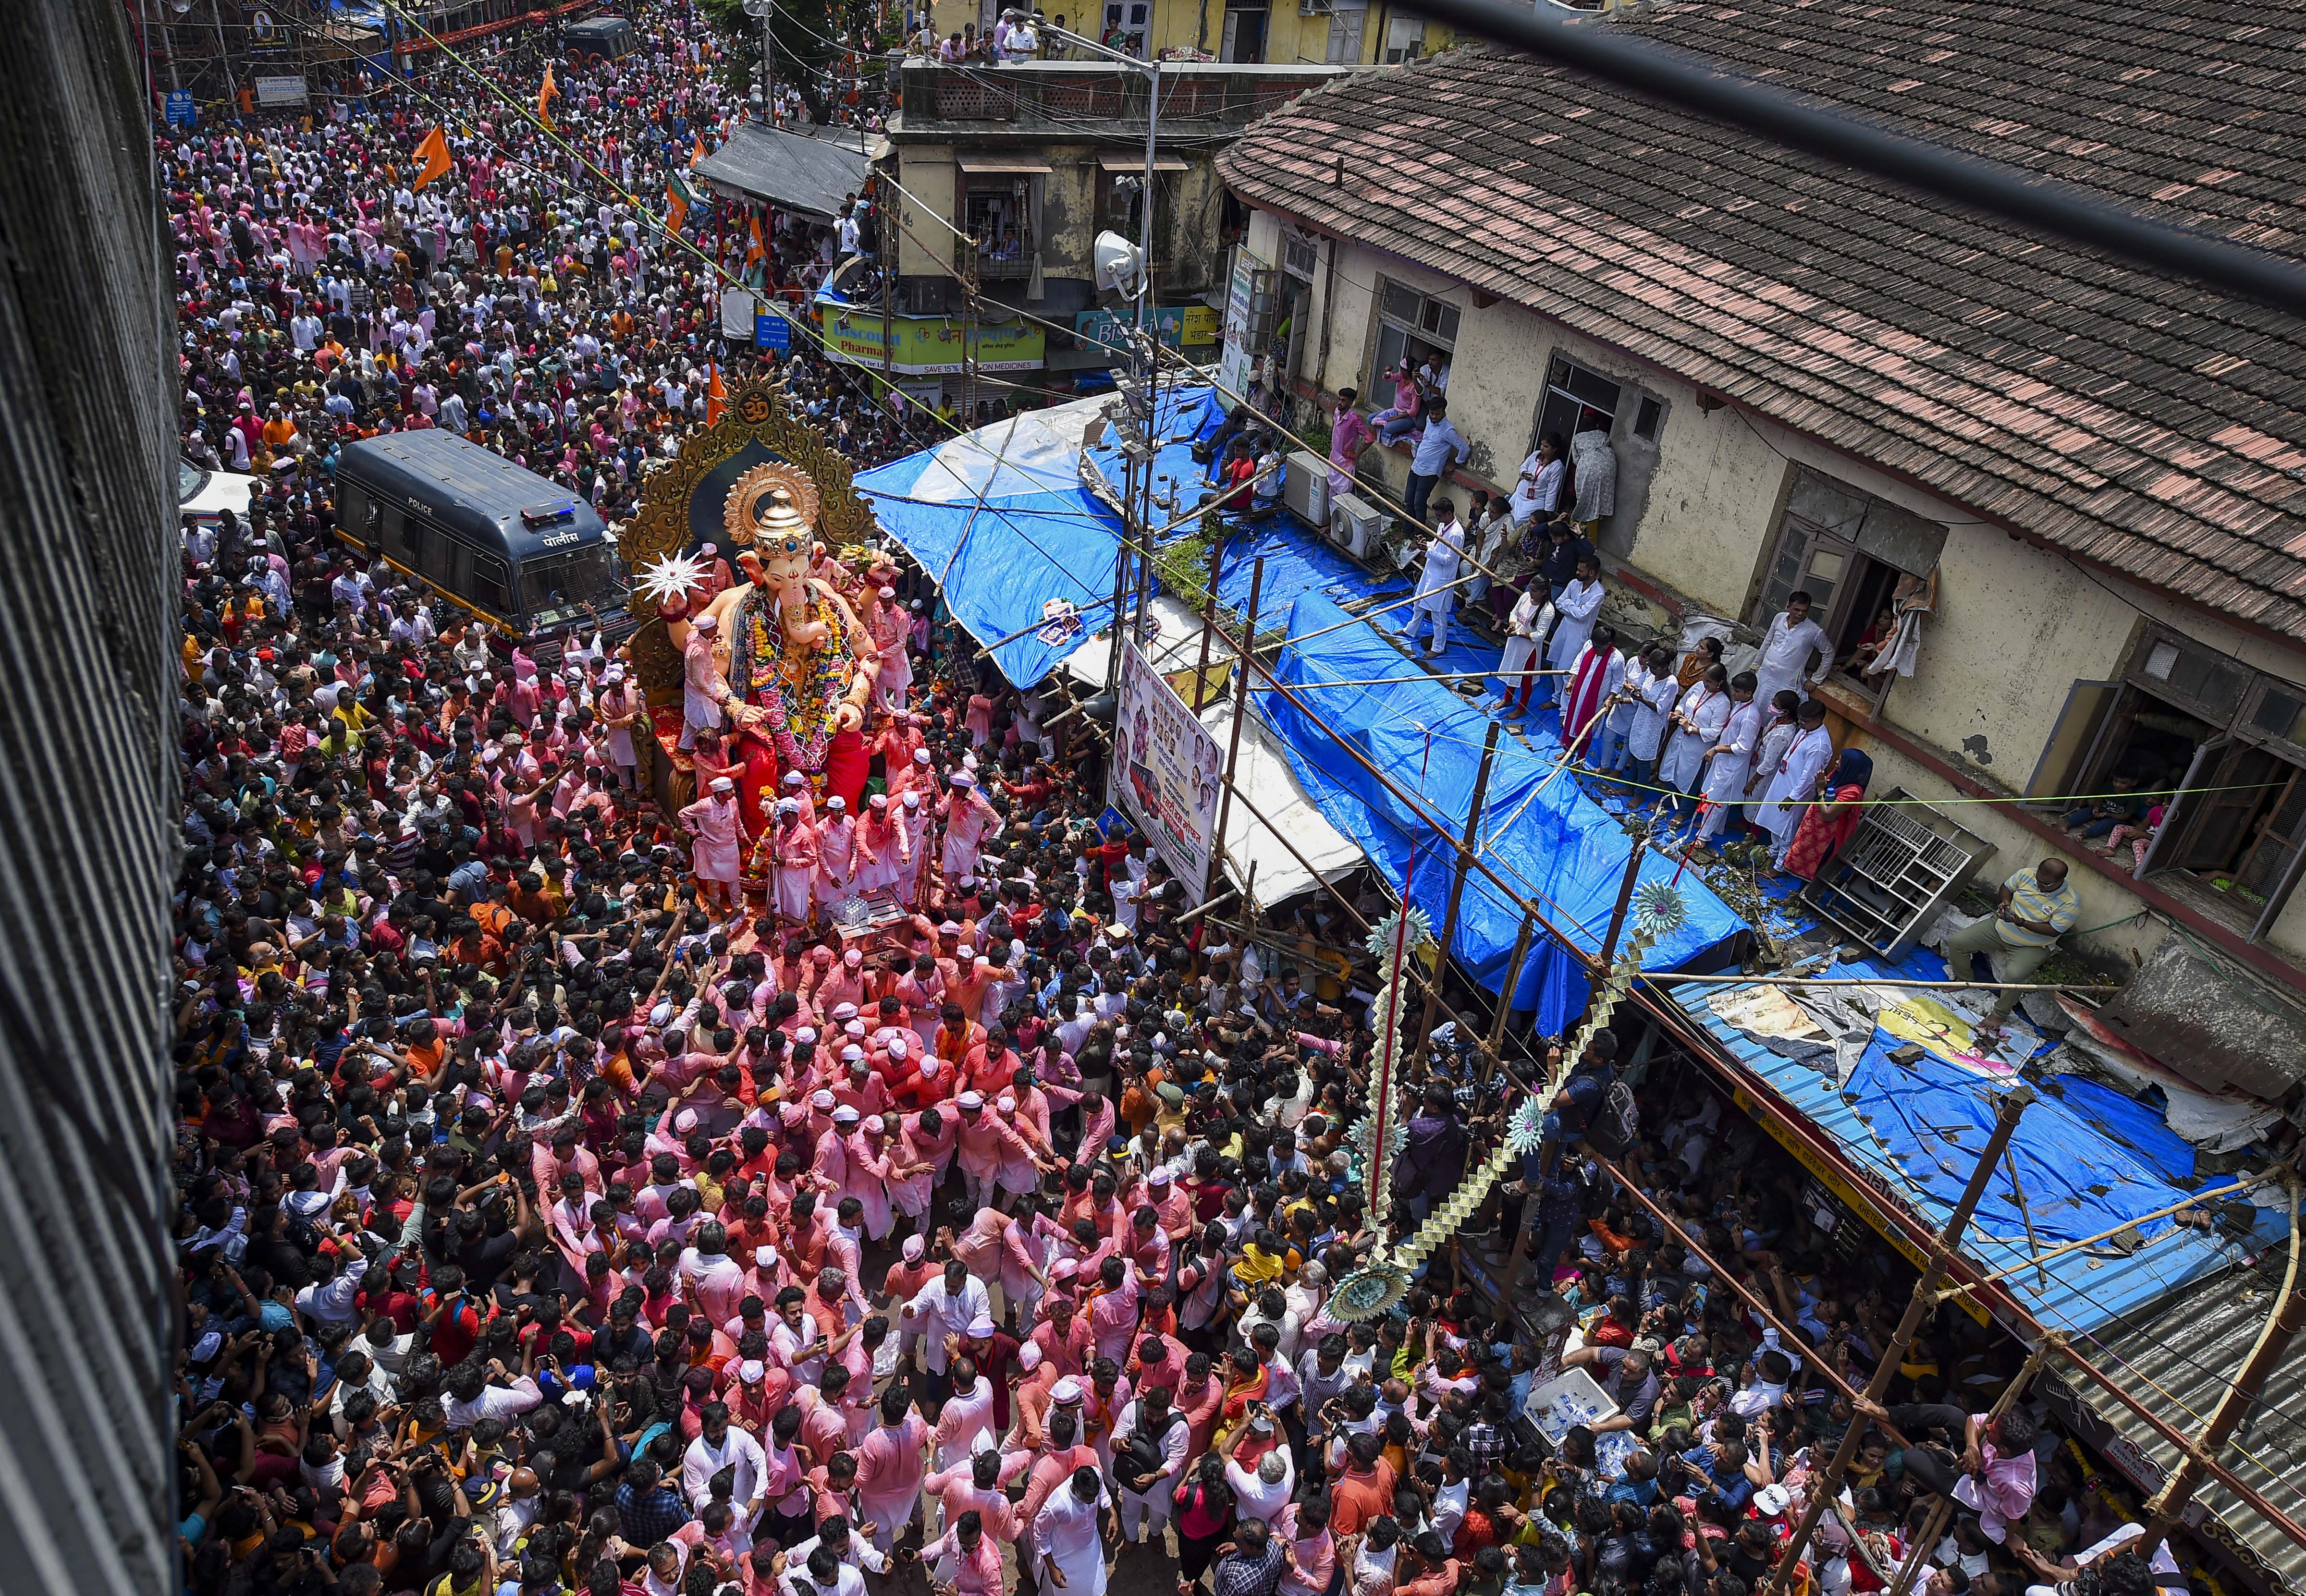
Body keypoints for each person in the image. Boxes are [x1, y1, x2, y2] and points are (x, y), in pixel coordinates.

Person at [1945, 859, 2081, 1033]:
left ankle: (1999, 1014)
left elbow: (2054, 930)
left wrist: (2022, 922)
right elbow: (2006, 887)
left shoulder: (2071, 901)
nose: (2038, 885)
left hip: (2032, 945)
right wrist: (2005, 902)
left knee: (2014, 976)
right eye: (2037, 879)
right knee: (1958, 942)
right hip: (2000, 928)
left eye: (2044, 884)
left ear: (2059, 882)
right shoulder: (2027, 874)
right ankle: (1964, 980)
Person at [1783, 746, 1875, 881]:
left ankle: (1802, 898)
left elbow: (1828, 814)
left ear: (1850, 767)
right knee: (1802, 860)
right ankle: (1796, 896)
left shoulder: (1853, 792)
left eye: (1841, 761)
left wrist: (1820, 790)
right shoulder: (1839, 776)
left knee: (1817, 867)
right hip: (1814, 829)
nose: (1837, 762)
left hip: (1828, 837)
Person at [1752, 590, 1833, 710]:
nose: (1800, 614)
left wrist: (1816, 679)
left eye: (1804, 611)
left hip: (1786, 681)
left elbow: (1829, 653)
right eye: (1797, 610)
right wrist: (1755, 665)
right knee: (1755, 705)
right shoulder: (1779, 618)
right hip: (1765, 674)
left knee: (1778, 710)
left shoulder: (1814, 631)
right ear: (1788, 607)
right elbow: (1767, 642)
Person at [1404, 500, 1465, 659]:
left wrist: (1427, 551)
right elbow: (1437, 544)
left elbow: (1448, 559)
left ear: (1449, 514)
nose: (1437, 518)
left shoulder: (1456, 534)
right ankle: (1411, 630)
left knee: (1437, 613)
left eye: (1439, 515)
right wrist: (1426, 544)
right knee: (1418, 602)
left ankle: (1438, 647)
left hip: (1442, 577)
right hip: (1431, 571)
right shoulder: (1443, 525)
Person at [1404, 397, 1469, 529]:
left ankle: (1418, 536)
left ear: (1443, 412)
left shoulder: (1448, 430)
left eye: (1437, 414)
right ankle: (1407, 530)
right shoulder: (1429, 420)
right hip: (1417, 466)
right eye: (1432, 413)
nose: (1434, 416)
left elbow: (1464, 449)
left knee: (1419, 503)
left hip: (1430, 472)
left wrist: (1456, 463)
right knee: (1409, 500)